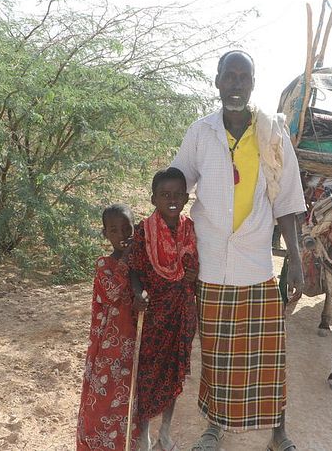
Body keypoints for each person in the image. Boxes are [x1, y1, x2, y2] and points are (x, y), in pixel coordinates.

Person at [171, 50, 306, 451]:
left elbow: (287, 201)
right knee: (216, 352)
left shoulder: (272, 133)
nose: (234, 84)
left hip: (255, 262)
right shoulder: (201, 132)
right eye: (228, 76)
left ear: (252, 84)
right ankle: (214, 427)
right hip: (211, 260)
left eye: (242, 77)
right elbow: (177, 183)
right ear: (216, 82)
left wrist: (296, 260)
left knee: (268, 354)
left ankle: (278, 432)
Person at [129, 167, 199, 451]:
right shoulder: (142, 231)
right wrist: (137, 294)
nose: (172, 200)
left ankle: (166, 432)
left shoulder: (191, 229)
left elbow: (195, 269)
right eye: (164, 194)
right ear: (153, 198)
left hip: (183, 312)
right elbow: (133, 269)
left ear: (185, 197)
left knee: (174, 373)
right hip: (153, 314)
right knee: (147, 374)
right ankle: (144, 432)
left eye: (177, 195)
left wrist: (194, 274)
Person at [76, 204, 139, 451]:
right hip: (108, 348)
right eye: (114, 230)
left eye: (127, 228)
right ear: (105, 234)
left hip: (134, 344)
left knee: (127, 402)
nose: (122, 235)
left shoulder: (141, 264)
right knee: (102, 401)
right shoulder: (104, 264)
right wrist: (126, 259)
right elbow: (112, 291)